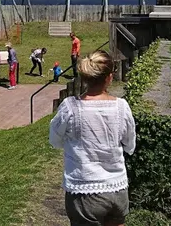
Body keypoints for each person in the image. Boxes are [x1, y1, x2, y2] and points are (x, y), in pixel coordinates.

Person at [49, 50, 136, 226]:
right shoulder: (122, 107)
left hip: (84, 191)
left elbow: (54, 139)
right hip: (117, 189)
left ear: (84, 77)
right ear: (109, 77)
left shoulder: (70, 107)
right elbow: (130, 145)